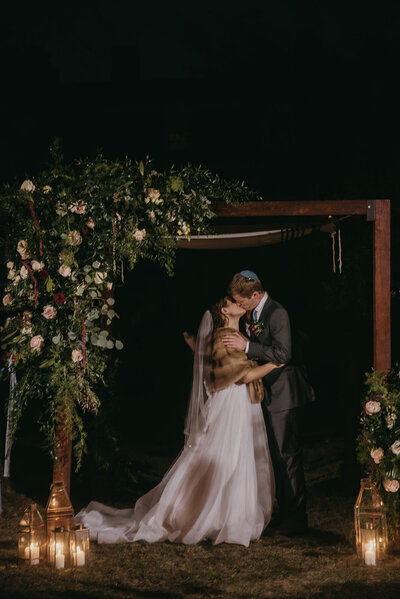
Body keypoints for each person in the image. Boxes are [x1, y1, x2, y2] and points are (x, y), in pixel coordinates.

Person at [75, 297, 282, 546]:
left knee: (237, 457)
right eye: (230, 301)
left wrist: (197, 346)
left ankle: (233, 512)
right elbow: (244, 375)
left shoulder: (235, 334)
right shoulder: (225, 336)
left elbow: (209, 361)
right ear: (225, 311)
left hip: (240, 404)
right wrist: (274, 363)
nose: (237, 301)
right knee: (222, 455)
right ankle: (211, 514)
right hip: (231, 403)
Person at [223, 271, 316, 535]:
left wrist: (247, 347)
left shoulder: (277, 313)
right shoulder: (254, 314)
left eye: (242, 301)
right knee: (275, 456)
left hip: (284, 393)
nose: (239, 305)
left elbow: (284, 353)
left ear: (255, 294)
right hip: (268, 391)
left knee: (287, 456)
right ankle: (285, 512)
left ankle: (297, 518)